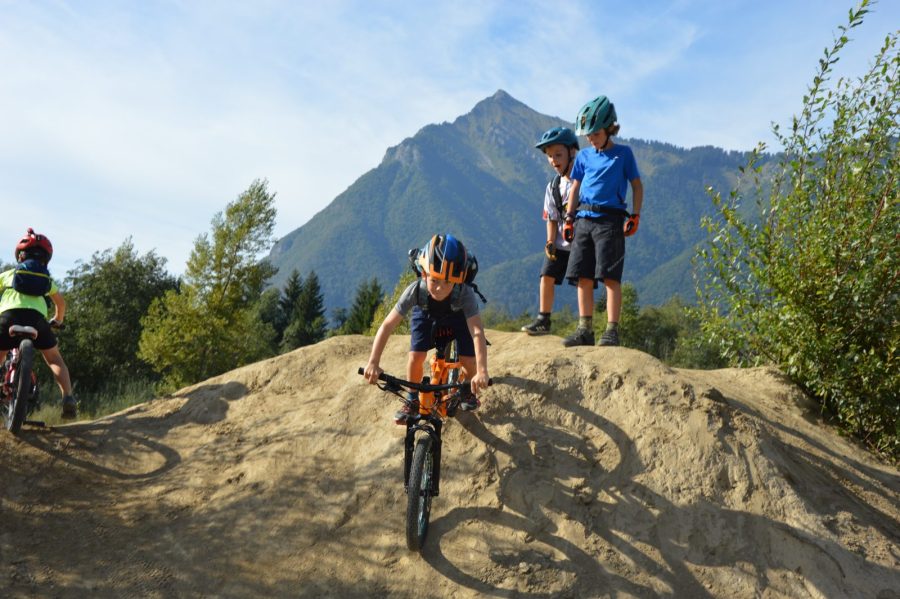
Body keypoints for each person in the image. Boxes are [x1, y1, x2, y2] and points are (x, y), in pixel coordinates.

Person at [364, 234, 490, 423]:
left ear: (457, 279)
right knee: (415, 357)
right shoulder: (415, 291)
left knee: (467, 360)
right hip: (425, 314)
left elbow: (477, 332)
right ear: (424, 274)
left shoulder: (464, 293)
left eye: (447, 282)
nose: (440, 288)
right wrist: (373, 362)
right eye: (435, 280)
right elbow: (387, 325)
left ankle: (466, 390)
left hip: (458, 317)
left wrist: (481, 371)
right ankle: (413, 399)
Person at [561, 95, 643, 347]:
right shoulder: (584, 157)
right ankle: (584, 329)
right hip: (584, 219)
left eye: (595, 133)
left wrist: (635, 215)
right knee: (582, 277)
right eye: (587, 134)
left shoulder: (624, 154)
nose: (590, 138)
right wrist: (569, 218)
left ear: (609, 128)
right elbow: (574, 188)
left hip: (611, 221)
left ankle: (611, 331)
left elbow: (637, 186)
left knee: (610, 277)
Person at [0, 228, 77, 418]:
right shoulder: (46, 279)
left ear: (20, 257)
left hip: (8, 317)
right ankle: (68, 398)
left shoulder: (8, 275)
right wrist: (57, 320)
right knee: (54, 359)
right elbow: (61, 303)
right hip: (37, 321)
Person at [520, 126, 580, 336]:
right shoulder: (553, 186)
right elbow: (551, 218)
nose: (554, 160)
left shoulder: (584, 181)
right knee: (546, 275)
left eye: (558, 155)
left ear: (572, 152)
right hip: (561, 243)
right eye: (549, 156)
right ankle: (543, 319)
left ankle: (585, 325)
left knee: (583, 282)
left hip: (581, 242)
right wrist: (549, 241)